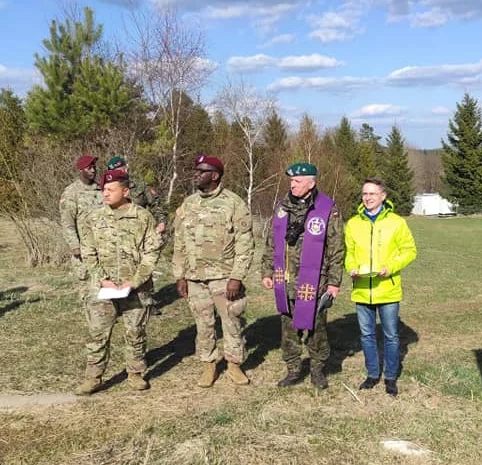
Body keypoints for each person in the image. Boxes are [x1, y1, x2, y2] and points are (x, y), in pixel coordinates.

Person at [75, 168, 163, 395]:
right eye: (104, 189)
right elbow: (88, 252)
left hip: (135, 289)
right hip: (103, 289)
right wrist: (101, 279)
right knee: (97, 334)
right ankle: (93, 377)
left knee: (135, 332)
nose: (105, 193)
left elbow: (152, 252)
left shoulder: (142, 216)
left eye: (110, 189)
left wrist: (135, 281)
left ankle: (135, 373)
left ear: (125, 191)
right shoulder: (93, 218)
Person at [172, 155, 254, 388]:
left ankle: (234, 365)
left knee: (231, 321)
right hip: (195, 278)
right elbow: (179, 242)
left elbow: (245, 242)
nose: (196, 174)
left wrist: (237, 276)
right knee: (203, 324)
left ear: (215, 176)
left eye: (202, 171)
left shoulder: (234, 203)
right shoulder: (188, 204)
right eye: (196, 170)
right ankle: (209, 365)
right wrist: (180, 275)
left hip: (224, 276)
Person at [261, 163, 344, 389]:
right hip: (285, 282)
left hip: (316, 283)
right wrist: (267, 270)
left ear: (311, 183)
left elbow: (337, 249)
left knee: (316, 328)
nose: (292, 185)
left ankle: (317, 369)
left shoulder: (328, 209)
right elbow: (271, 243)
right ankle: (293, 369)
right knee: (288, 329)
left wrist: (334, 282)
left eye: (297, 181)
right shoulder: (282, 207)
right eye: (291, 181)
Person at [344, 179, 417, 396]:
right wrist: (352, 268)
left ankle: (391, 377)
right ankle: (372, 374)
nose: (367, 198)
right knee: (366, 335)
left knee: (391, 336)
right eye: (365, 193)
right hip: (362, 289)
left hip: (388, 288)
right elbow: (349, 253)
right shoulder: (353, 224)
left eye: (372, 194)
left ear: (383, 196)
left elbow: (410, 250)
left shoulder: (397, 223)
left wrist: (391, 267)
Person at [105, 155, 168, 315]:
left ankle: (147, 301)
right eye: (115, 170)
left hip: (140, 235)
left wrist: (161, 222)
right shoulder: (108, 188)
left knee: (143, 267)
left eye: (121, 169)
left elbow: (157, 205)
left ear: (126, 168)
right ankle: (118, 302)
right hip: (117, 236)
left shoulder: (140, 186)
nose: (120, 172)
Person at [59, 155, 104, 291]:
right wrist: (75, 246)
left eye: (94, 167)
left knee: (103, 284)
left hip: (103, 246)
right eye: (89, 168)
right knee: (87, 287)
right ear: (81, 170)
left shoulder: (101, 190)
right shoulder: (72, 192)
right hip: (84, 248)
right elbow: (68, 223)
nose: (93, 170)